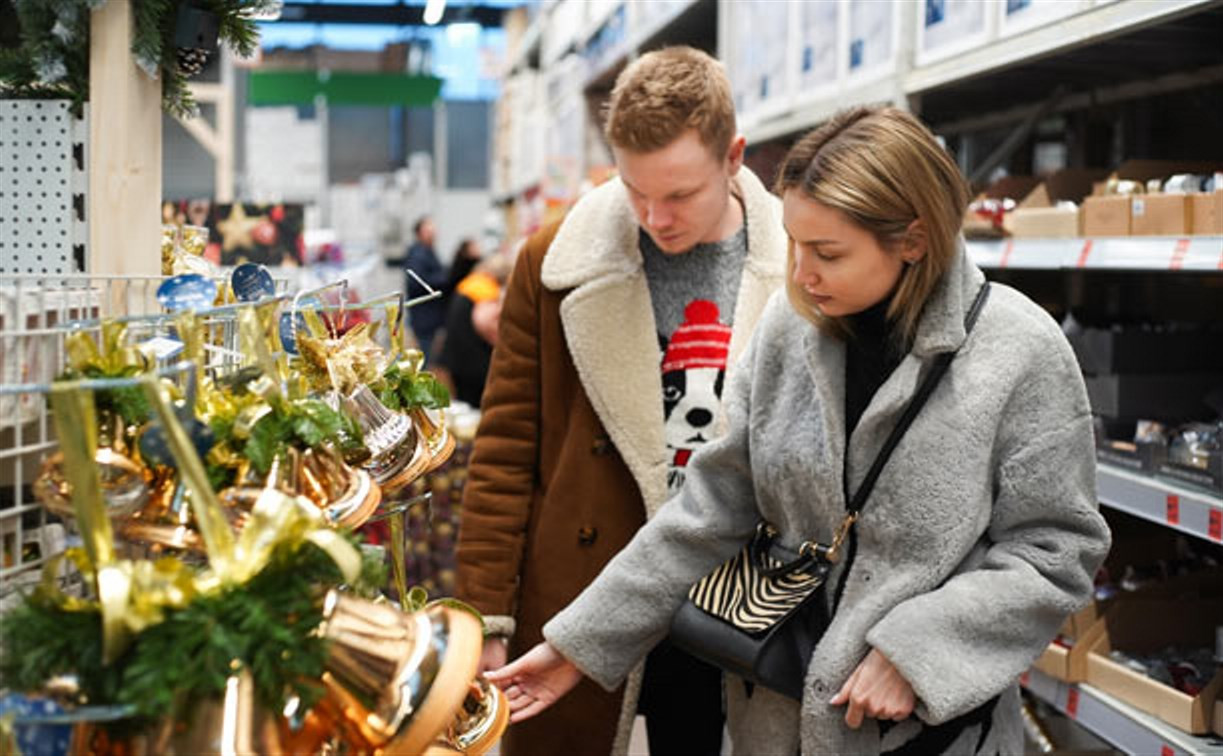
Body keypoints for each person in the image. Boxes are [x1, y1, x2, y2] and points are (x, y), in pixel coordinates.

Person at [485, 106, 1113, 756]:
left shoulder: (1018, 351)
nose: (800, 272)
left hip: (927, 731)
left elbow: (1054, 550)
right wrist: (576, 645)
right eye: (792, 242)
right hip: (771, 720)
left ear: (913, 240)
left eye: (827, 252)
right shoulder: (790, 330)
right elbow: (707, 511)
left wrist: (920, 651)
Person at [454, 46, 788, 756]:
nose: (654, 216)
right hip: (585, 589)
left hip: (741, 597)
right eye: (634, 190)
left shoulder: (800, 264)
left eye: (678, 194)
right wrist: (484, 616)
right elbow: (506, 449)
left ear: (734, 157)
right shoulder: (554, 261)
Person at [437, 254, 511, 407]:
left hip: (456, 357)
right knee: (478, 405)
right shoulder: (486, 290)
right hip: (474, 362)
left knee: (464, 401)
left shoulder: (471, 283)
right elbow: (487, 323)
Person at [404, 215, 446, 360]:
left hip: (429, 316)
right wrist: (443, 280)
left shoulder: (427, 251)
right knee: (424, 355)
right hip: (424, 316)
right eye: (429, 230)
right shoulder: (419, 254)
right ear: (419, 233)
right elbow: (417, 281)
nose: (433, 233)